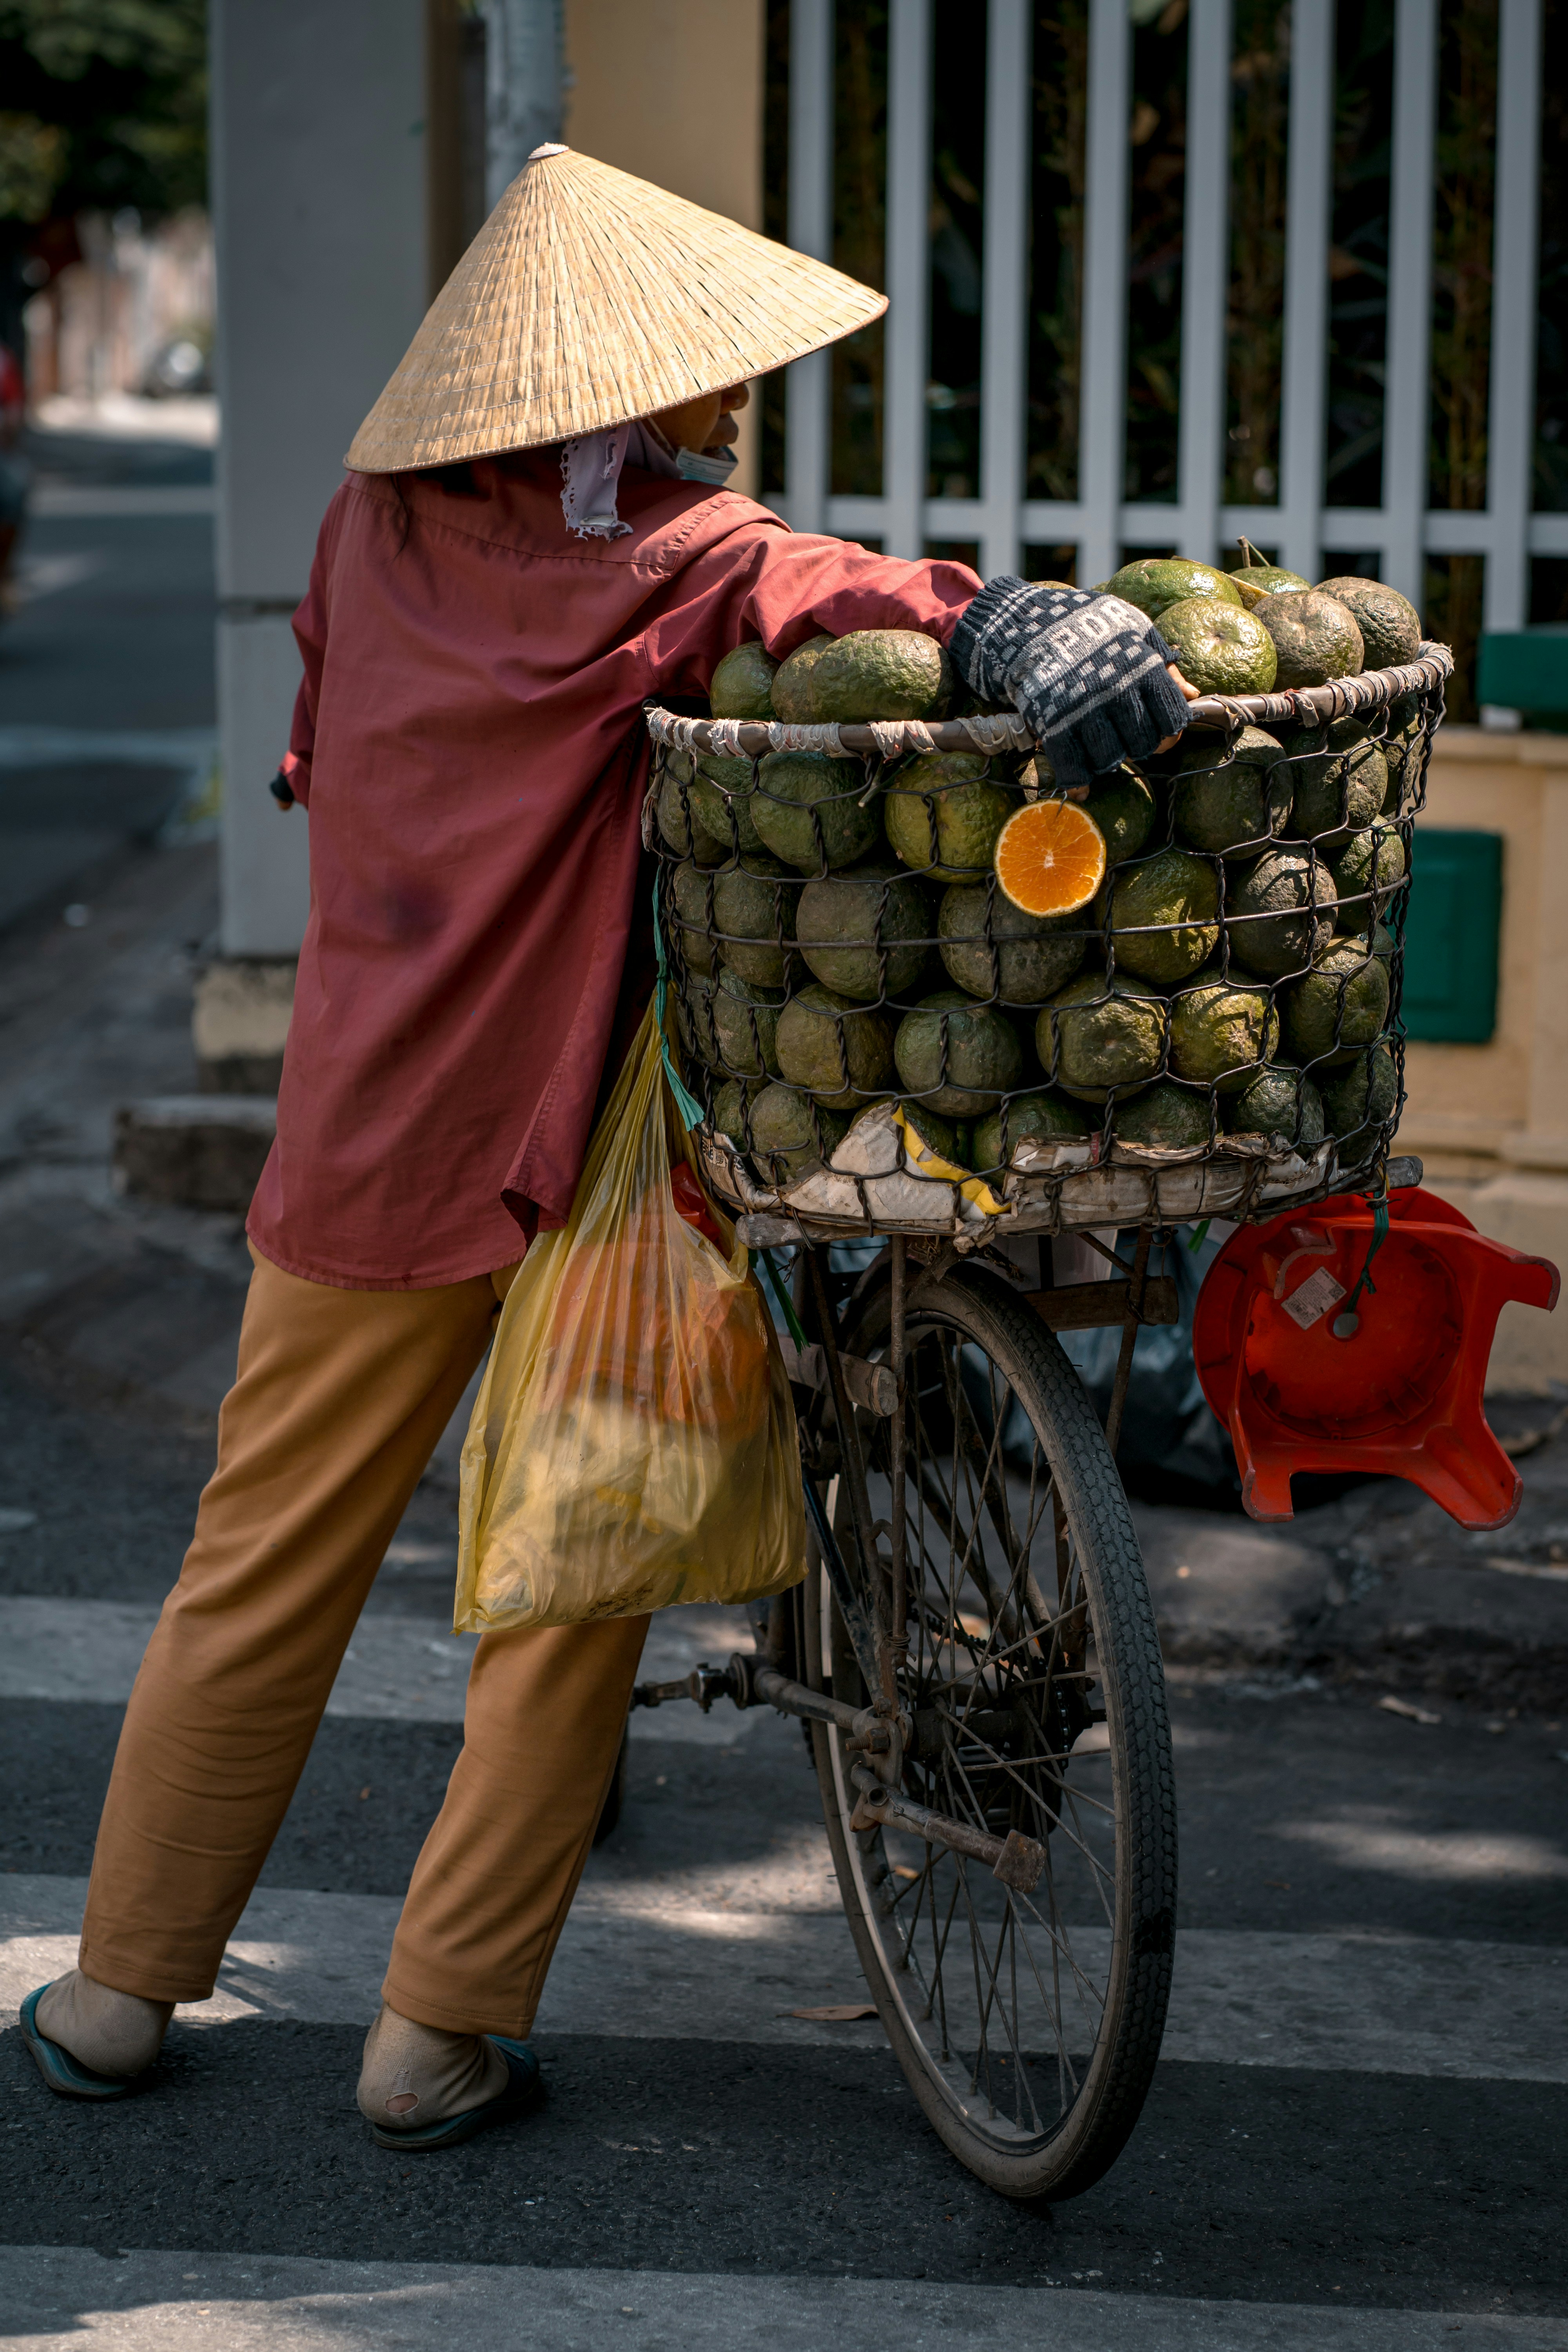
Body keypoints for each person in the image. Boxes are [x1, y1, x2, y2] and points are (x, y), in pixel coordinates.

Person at [22, 145, 1196, 2150]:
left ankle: (122, 1992)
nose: (721, 406)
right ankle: (431, 2040)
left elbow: (322, 758)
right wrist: (1012, 631)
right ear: (622, 396)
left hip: (359, 1145)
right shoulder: (688, 562)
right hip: (581, 1173)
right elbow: (856, 601)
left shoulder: (362, 532)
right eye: (696, 379)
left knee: (256, 1571)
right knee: (567, 1593)